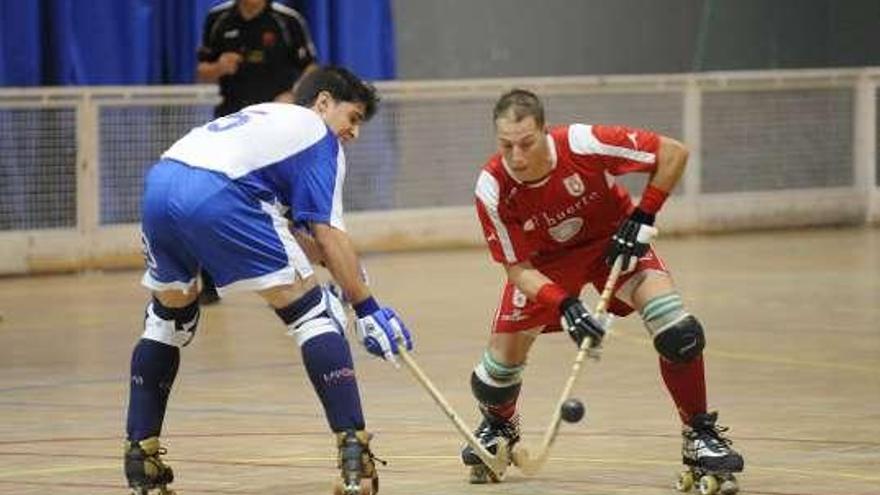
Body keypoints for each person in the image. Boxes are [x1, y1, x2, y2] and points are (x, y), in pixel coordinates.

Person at [124, 66, 412, 495]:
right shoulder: (318, 135)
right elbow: (327, 233)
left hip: (161, 184)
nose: (353, 132)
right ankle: (355, 453)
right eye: (352, 118)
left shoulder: (266, 119)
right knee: (313, 316)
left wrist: (344, 271)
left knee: (166, 322)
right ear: (323, 103)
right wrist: (365, 306)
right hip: (220, 193)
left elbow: (300, 238)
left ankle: (140, 459)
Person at [461, 89, 744, 490]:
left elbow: (673, 153)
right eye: (507, 146)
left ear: (545, 130)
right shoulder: (492, 186)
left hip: (613, 244)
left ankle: (699, 434)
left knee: (678, 332)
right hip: (544, 266)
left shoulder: (581, 143)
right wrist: (566, 305)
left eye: (526, 143)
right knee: (492, 378)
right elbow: (518, 269)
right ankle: (499, 426)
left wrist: (643, 215)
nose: (518, 157)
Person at [195, 0, 319, 303]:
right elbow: (202, 70)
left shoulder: (287, 21)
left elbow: (312, 70)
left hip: (277, 129)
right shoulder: (217, 18)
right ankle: (210, 284)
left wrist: (294, 94)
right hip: (230, 126)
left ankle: (317, 276)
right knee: (215, 201)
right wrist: (217, 68)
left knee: (294, 204)